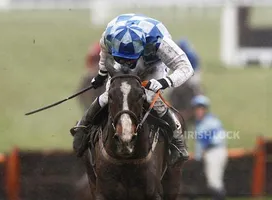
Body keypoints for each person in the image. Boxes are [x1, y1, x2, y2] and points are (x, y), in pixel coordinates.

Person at [71, 13, 194, 165]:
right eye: (122, 58)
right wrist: (102, 74)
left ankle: (178, 142)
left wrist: (163, 82)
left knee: (150, 98)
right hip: (128, 55)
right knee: (110, 93)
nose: (127, 64)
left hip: (153, 63)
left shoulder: (160, 43)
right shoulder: (109, 35)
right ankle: (82, 129)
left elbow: (186, 68)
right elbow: (104, 52)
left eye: (129, 59)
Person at [191, 95, 228, 200]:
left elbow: (218, 138)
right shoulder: (198, 123)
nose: (199, 110)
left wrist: (204, 146)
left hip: (215, 151)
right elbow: (199, 143)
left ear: (205, 109)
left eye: (201, 108)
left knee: (214, 182)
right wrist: (198, 157)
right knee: (212, 182)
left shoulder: (212, 120)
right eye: (197, 108)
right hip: (209, 153)